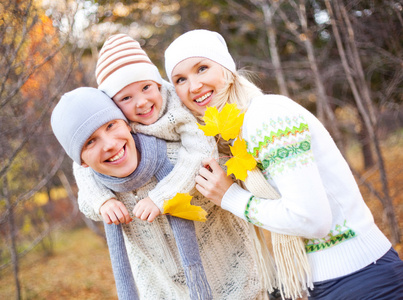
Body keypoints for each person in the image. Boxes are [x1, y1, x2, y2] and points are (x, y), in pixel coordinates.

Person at [164, 29, 403, 300]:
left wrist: (231, 197)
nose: (193, 86)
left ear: (227, 70)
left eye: (202, 68)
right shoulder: (235, 137)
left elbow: (311, 220)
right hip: (331, 283)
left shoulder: (267, 117)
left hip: (363, 280)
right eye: (180, 79)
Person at [68, 36, 278, 299]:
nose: (142, 102)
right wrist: (102, 201)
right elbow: (83, 165)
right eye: (126, 98)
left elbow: (201, 152)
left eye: (147, 88)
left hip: (230, 268)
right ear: (114, 108)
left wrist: (161, 195)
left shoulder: (177, 110)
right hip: (164, 284)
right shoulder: (117, 131)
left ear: (157, 83)